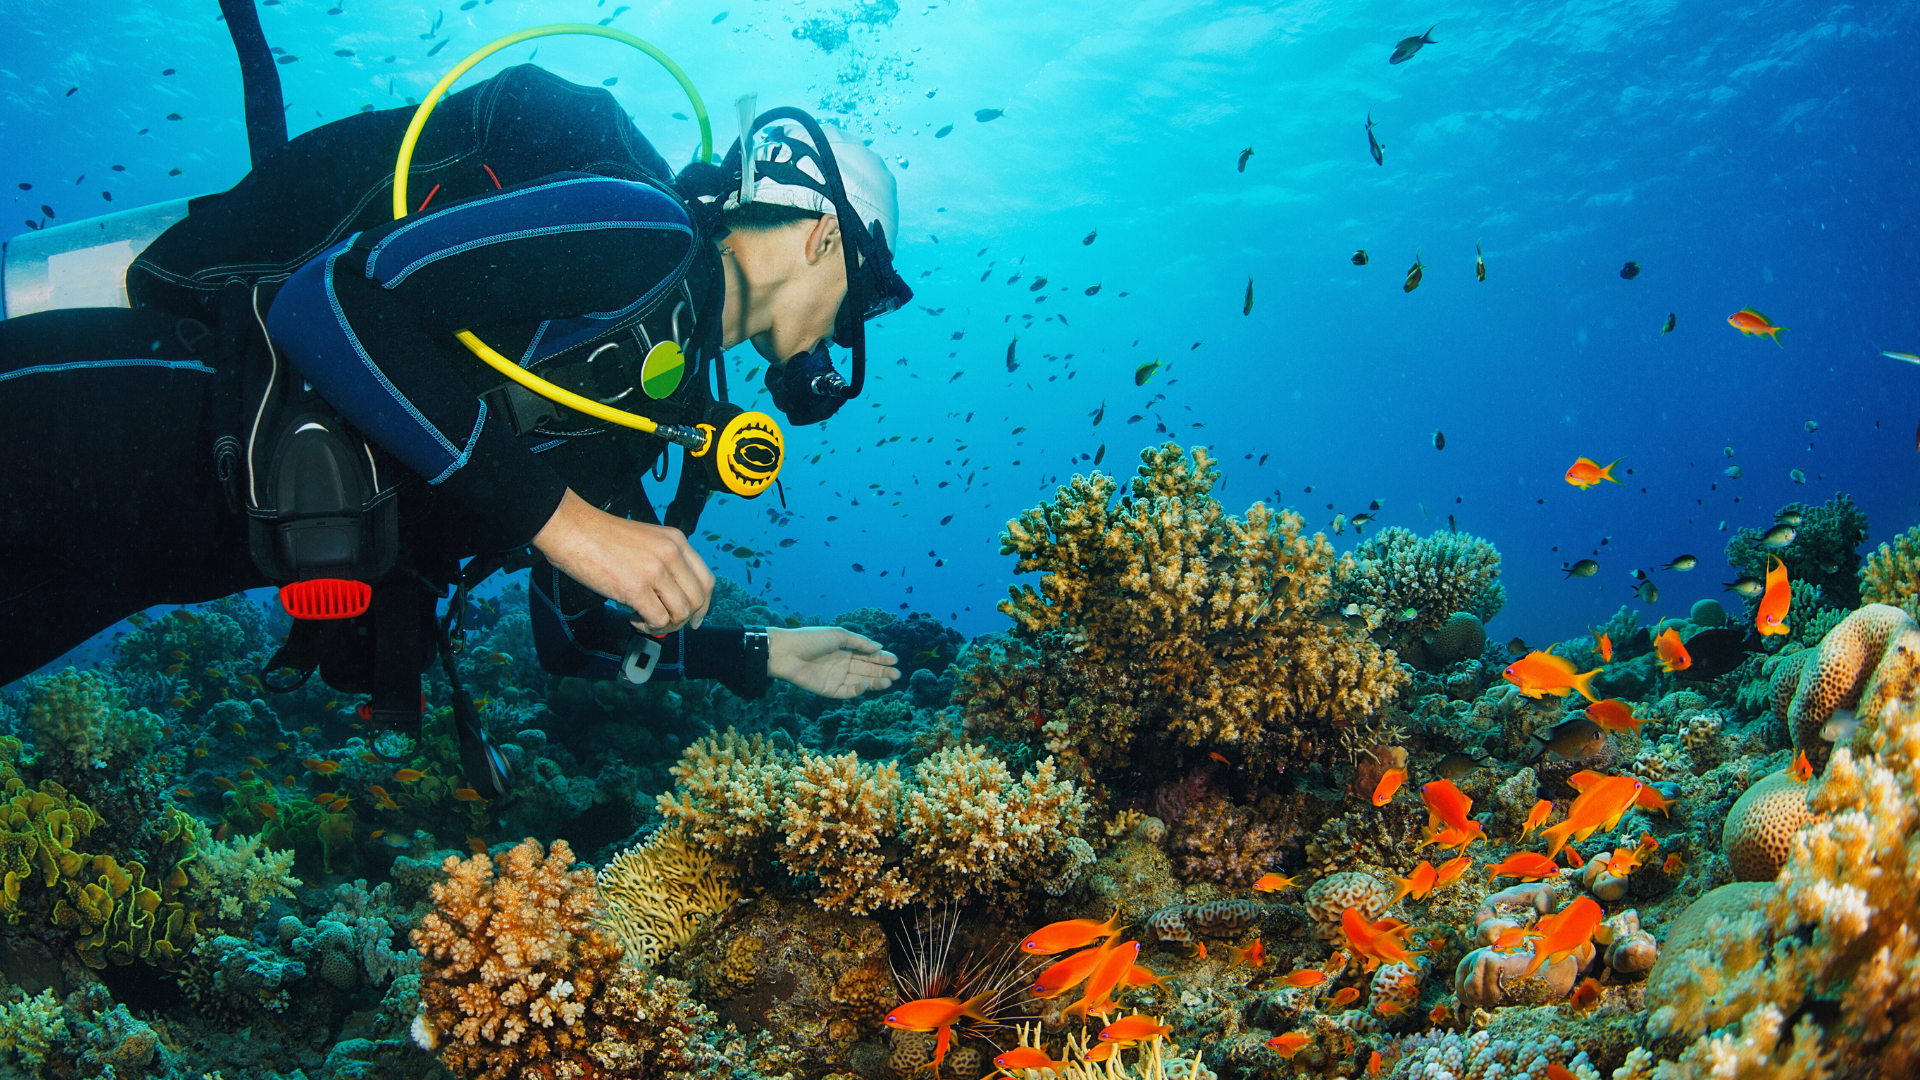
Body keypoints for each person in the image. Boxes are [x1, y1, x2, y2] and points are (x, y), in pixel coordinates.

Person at [0, 62, 909, 788]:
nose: (848, 328)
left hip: (167, 553)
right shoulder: (646, 229)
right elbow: (333, 302)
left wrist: (763, 653)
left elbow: (577, 636)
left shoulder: (652, 408)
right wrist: (570, 525)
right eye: (864, 294)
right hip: (146, 411)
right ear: (824, 234)